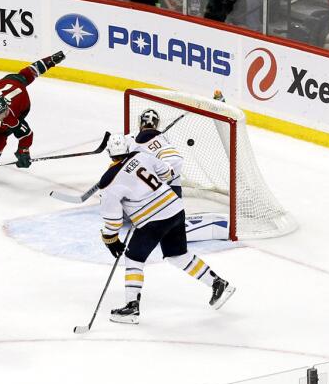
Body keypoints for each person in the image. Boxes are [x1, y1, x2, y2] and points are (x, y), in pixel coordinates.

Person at [98, 134, 235, 324]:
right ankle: (218, 283)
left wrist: (110, 239)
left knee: (134, 257)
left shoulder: (108, 181)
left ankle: (131, 308)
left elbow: (113, 219)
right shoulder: (141, 155)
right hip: (175, 209)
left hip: (153, 220)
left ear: (109, 153)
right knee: (177, 255)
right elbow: (168, 173)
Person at [0, 51, 65, 180]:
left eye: (5, 111)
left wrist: (23, 150)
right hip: (3, 88)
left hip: (20, 100)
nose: (5, 114)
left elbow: (27, 134)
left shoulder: (10, 116)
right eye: (1, 114)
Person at [128, 108, 184, 196]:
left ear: (141, 122)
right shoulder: (163, 137)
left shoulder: (136, 141)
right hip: (175, 179)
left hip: (162, 178)